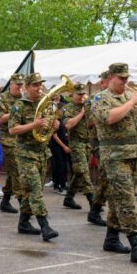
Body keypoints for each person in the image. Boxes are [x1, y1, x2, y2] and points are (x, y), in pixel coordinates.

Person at [92, 63, 137, 263]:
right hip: (114, 156)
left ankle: (111, 238)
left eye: (127, 78)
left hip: (134, 154)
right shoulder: (100, 98)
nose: (125, 82)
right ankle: (136, 244)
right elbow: (110, 118)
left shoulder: (131, 97)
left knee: (117, 199)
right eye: (121, 78)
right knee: (127, 200)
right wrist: (133, 101)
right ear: (110, 77)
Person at [9, 72, 59, 241]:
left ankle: (23, 222)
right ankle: (44, 226)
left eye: (40, 84)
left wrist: (54, 125)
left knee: (30, 191)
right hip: (25, 154)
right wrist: (34, 124)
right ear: (27, 87)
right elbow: (13, 129)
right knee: (36, 190)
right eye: (35, 85)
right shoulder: (19, 105)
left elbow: (47, 130)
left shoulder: (46, 104)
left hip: (42, 153)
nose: (39, 88)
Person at [61, 83, 95, 212]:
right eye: (79, 94)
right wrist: (82, 113)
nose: (81, 97)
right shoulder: (67, 108)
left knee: (79, 172)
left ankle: (69, 198)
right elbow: (68, 125)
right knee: (84, 172)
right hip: (76, 143)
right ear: (73, 95)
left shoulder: (88, 107)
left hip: (88, 143)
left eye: (83, 94)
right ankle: (93, 202)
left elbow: (93, 123)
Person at [0, 74, 25, 214]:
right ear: (11, 84)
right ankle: (24, 204)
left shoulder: (24, 98)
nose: (20, 87)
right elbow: (0, 119)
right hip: (8, 140)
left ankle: (5, 200)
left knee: (14, 173)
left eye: (21, 84)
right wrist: (17, 109)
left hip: (22, 140)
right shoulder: (2, 98)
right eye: (17, 84)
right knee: (17, 172)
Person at [87, 71, 110, 228]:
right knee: (105, 177)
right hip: (99, 144)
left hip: (113, 145)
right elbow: (90, 121)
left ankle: (95, 210)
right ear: (102, 83)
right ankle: (95, 211)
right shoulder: (95, 99)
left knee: (106, 179)